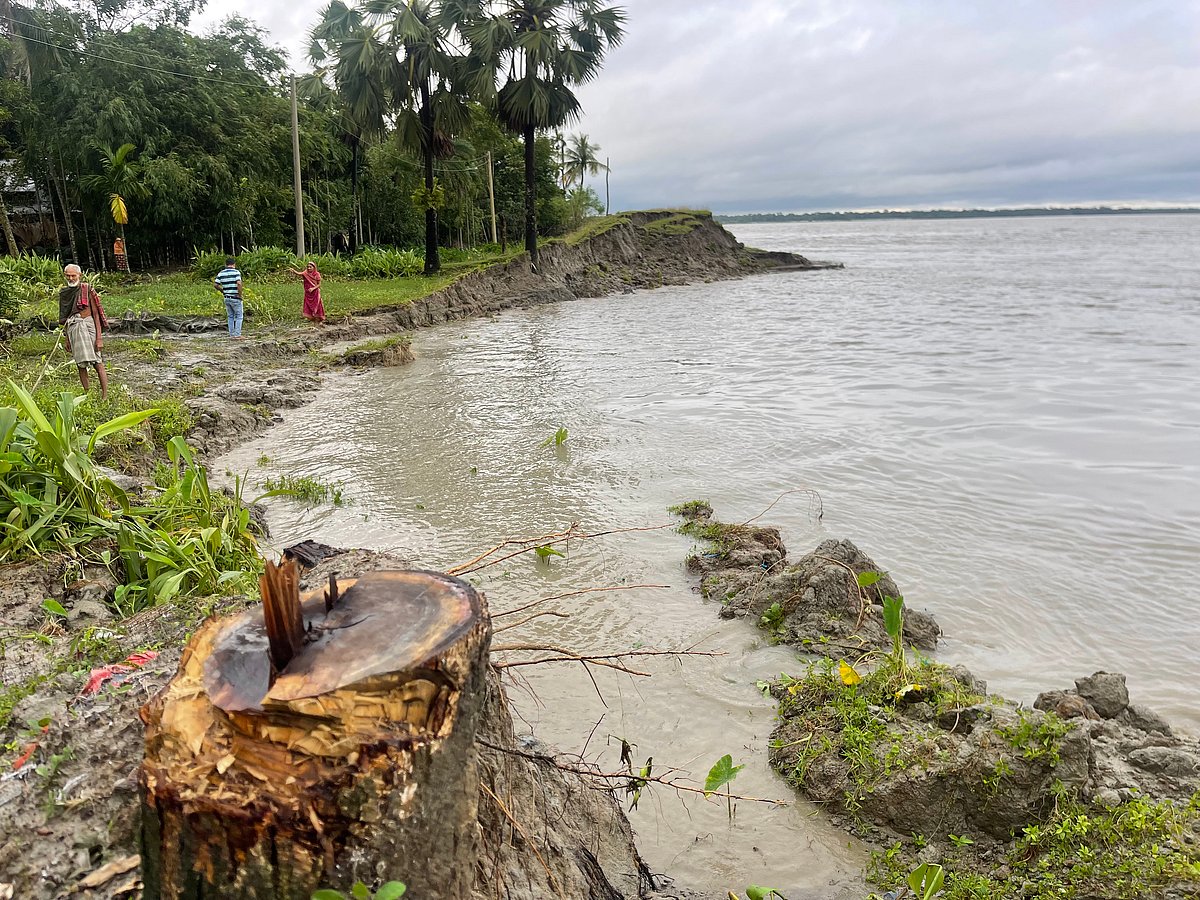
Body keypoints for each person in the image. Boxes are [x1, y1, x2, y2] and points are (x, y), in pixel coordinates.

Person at [58, 264, 109, 400]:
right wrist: (67, 338)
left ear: (79, 275)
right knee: (80, 364)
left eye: (73, 275)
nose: (70, 278)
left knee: (98, 362)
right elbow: (65, 318)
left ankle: (104, 396)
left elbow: (96, 314)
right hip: (73, 328)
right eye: (68, 275)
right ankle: (87, 395)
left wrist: (99, 338)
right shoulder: (64, 293)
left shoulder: (86, 289)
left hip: (88, 326)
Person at [213, 256, 244, 338]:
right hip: (235, 297)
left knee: (230, 316)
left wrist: (222, 290)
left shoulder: (221, 273)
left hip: (227, 297)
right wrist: (240, 295)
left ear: (226, 264)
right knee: (239, 316)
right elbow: (239, 283)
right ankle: (237, 335)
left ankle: (231, 334)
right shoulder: (236, 272)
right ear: (234, 264)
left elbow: (215, 285)